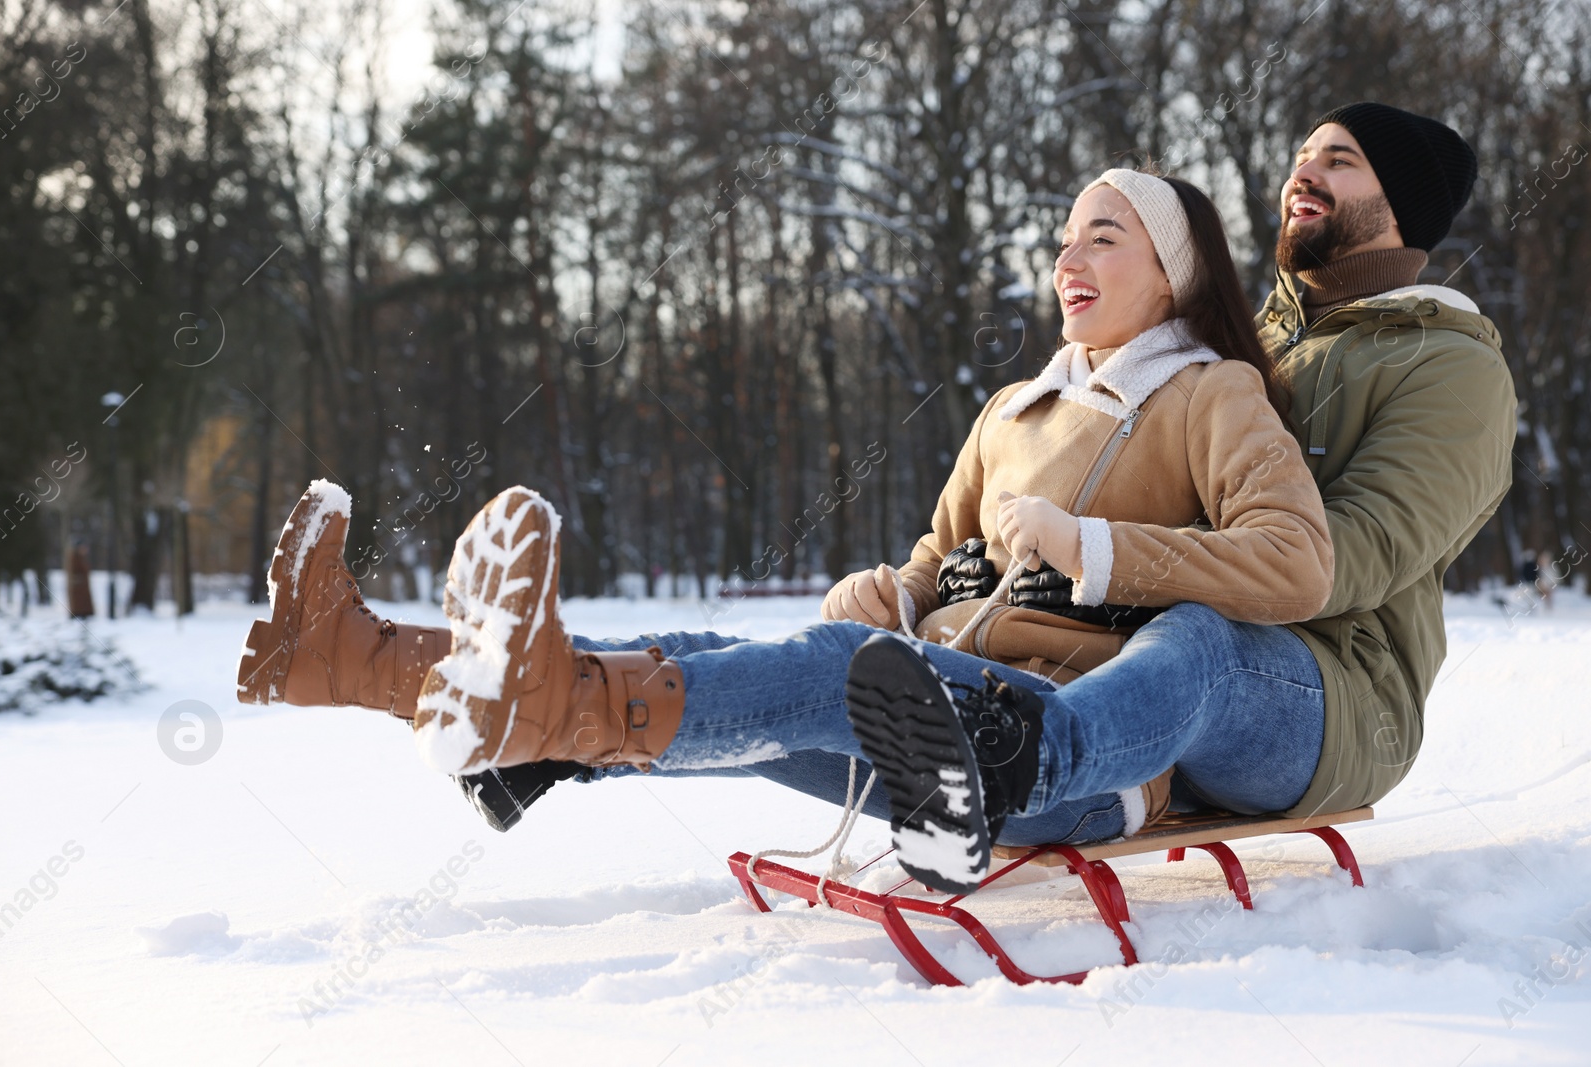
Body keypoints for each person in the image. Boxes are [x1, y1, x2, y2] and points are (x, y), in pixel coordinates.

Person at [239, 101, 1515, 899]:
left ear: (1399, 202)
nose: (1300, 173)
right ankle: (375, 660)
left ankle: (1000, 766)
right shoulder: (1100, 385)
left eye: (1334, 162)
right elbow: (951, 547)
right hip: (1041, 686)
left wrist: (1092, 555)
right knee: (794, 650)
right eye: (1295, 157)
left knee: (1150, 641)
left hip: (1309, 688)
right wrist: (921, 586)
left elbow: (1318, 566)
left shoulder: (1400, 371)